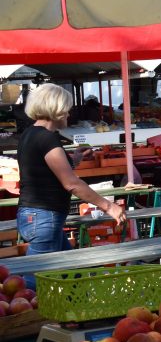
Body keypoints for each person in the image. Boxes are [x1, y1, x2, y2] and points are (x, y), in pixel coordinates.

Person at [17, 84, 126, 259]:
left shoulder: (30, 133)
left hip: (36, 215)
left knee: (69, 270)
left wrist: (73, 160)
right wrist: (108, 206)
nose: (69, 114)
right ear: (56, 109)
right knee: (37, 278)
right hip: (44, 216)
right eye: (67, 109)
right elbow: (71, 183)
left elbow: (44, 170)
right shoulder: (46, 138)